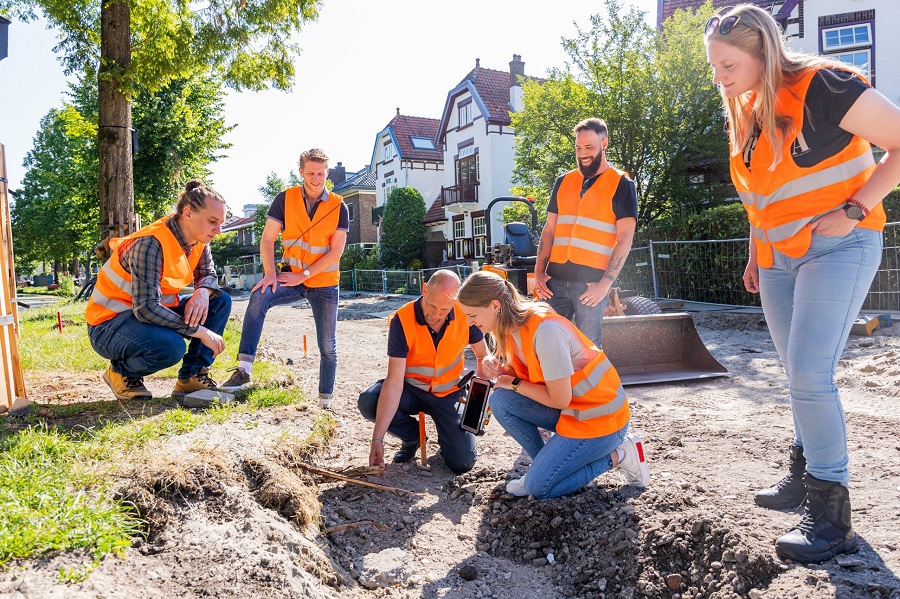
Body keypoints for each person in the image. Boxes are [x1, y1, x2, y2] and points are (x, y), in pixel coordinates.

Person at [705, 4, 900, 563]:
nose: (720, 78)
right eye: (714, 68)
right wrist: (753, 251)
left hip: (839, 246)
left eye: (728, 65)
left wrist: (856, 209)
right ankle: (803, 472)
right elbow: (759, 195)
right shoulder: (743, 109)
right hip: (776, 260)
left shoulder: (825, 85)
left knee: (811, 374)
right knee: (796, 374)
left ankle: (831, 515)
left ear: (762, 53)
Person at [457, 271, 649, 499]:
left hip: (601, 419)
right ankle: (546, 467)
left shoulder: (546, 331)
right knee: (500, 400)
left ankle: (621, 455)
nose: (470, 323)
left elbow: (558, 398)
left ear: (495, 305)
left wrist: (514, 382)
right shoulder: (510, 327)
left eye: (472, 315)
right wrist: (497, 367)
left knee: (540, 488)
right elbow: (529, 373)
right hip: (574, 410)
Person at [221, 149, 349, 410]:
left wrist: (304, 275)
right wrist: (270, 275)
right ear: (300, 172)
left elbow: (336, 251)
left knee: (327, 345)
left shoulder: (339, 205)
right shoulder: (284, 198)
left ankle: (325, 400)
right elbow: (267, 240)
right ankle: (244, 370)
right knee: (259, 296)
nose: (316, 178)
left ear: (327, 174)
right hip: (290, 276)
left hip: (323, 282)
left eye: (321, 173)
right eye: (311, 173)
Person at [85, 180, 231, 402]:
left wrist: (202, 292)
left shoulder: (199, 239)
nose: (218, 231)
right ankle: (121, 372)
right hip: (109, 324)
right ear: (188, 213)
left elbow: (208, 275)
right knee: (171, 347)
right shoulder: (150, 243)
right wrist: (201, 332)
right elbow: (146, 308)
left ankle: (191, 377)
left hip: (148, 314)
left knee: (220, 301)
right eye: (213, 221)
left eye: (221, 223)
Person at [358, 270, 489, 473]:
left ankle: (448, 437)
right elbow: (394, 381)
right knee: (369, 401)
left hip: (449, 393)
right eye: (432, 306)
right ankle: (412, 437)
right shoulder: (402, 320)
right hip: (411, 391)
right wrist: (378, 438)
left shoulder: (465, 314)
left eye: (445, 309)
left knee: (462, 463)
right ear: (425, 288)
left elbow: (483, 357)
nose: (436, 315)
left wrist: (475, 409)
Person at [533, 117, 638, 348]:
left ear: (604, 144)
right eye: (578, 148)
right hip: (553, 283)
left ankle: (589, 386)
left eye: (589, 147)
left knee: (588, 351)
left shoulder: (622, 185)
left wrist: (604, 285)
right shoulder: (563, 181)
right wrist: (538, 272)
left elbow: (625, 239)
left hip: (590, 287)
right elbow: (549, 229)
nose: (582, 153)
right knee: (546, 346)